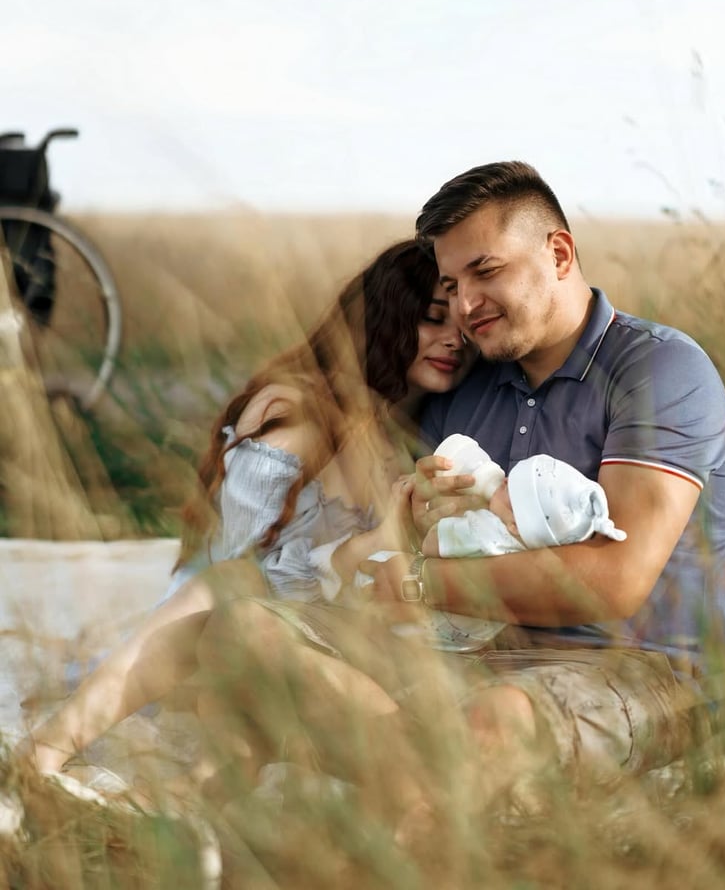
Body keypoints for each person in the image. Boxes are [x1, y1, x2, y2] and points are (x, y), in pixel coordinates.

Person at [19, 239, 472, 825]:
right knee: (235, 591)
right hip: (197, 637)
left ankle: (177, 805)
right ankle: (42, 754)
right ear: (386, 318)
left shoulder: (402, 428)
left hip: (302, 644)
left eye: (460, 326)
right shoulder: (299, 413)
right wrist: (374, 544)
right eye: (433, 319)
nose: (454, 340)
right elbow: (242, 564)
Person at [363, 160, 725, 801]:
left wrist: (418, 581)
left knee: (497, 718)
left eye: (486, 271)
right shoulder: (467, 386)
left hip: (641, 674)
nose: (465, 305)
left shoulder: (660, 370)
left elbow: (614, 580)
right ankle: (406, 767)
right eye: (452, 284)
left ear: (559, 254)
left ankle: (405, 794)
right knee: (249, 632)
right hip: (473, 650)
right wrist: (418, 518)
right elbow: (419, 538)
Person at [363, 434, 626, 654]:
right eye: (511, 477)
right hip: (473, 634)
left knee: (368, 569)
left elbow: (431, 545)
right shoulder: (526, 546)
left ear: (515, 525)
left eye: (509, 490)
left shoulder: (488, 533)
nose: (505, 481)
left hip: (444, 623)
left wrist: (443, 520)